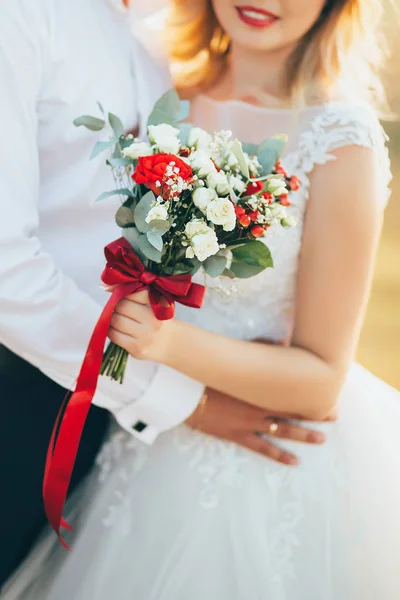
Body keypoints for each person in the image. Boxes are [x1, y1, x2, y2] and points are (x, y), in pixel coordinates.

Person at [3, 0, 400, 598]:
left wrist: (167, 342)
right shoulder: (165, 97)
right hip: (130, 442)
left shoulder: (341, 141)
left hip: (263, 464)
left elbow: (321, 380)